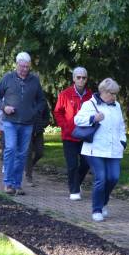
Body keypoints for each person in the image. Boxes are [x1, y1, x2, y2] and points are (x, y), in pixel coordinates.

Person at [0, 52, 45, 195]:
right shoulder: (7, 78)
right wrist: (4, 107)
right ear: (16, 65)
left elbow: (41, 100)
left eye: (27, 67)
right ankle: (8, 183)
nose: (24, 69)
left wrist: (34, 111)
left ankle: (17, 183)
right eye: (22, 66)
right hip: (10, 122)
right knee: (10, 149)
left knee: (22, 153)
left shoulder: (34, 81)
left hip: (27, 123)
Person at [74, 78, 127, 221]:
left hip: (114, 148)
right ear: (104, 92)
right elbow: (77, 120)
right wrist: (93, 118)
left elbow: (121, 126)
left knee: (113, 177)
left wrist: (123, 141)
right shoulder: (89, 104)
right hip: (94, 149)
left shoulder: (116, 106)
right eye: (112, 93)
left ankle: (103, 203)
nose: (114, 96)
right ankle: (96, 209)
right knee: (101, 178)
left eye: (115, 93)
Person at [54, 67, 93, 200]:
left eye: (84, 77)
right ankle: (74, 191)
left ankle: (76, 183)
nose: (81, 80)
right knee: (72, 164)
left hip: (85, 136)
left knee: (86, 163)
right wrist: (65, 126)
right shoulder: (65, 94)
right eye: (78, 77)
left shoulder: (91, 96)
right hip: (69, 136)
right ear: (74, 79)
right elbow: (58, 112)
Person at [25, 97, 53, 186]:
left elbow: (46, 116)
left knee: (40, 152)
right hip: (27, 130)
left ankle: (28, 167)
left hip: (38, 130)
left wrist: (42, 124)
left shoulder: (42, 101)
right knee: (28, 153)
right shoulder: (25, 99)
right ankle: (28, 176)